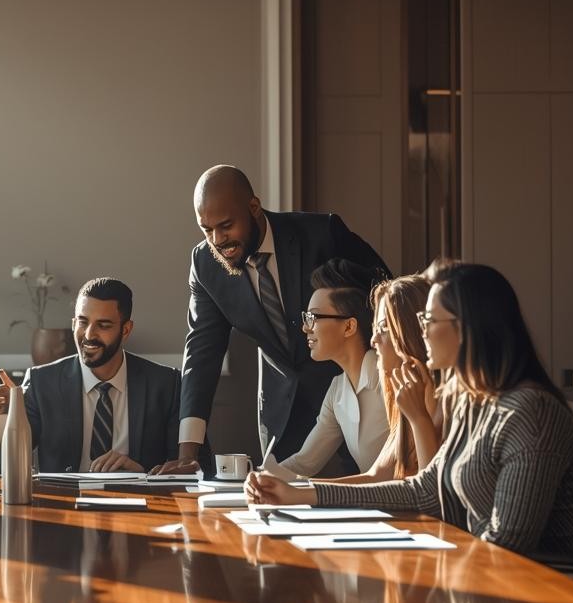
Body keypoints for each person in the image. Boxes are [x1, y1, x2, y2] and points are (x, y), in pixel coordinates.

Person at [246, 261, 573, 566]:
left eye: (429, 321)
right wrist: (300, 496)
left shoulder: (530, 412)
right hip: (520, 580)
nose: (421, 332)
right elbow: (424, 489)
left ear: (469, 329)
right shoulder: (471, 402)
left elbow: (509, 543)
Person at [154, 165, 389, 474]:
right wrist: (188, 453)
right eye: (206, 230)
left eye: (226, 225)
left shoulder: (322, 234)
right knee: (279, 495)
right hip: (282, 407)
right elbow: (202, 353)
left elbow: (386, 295)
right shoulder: (205, 264)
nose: (217, 240)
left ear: (253, 208)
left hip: (359, 394)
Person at [254, 272, 444, 498]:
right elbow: (376, 476)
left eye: (384, 328)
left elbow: (428, 494)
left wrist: (297, 493)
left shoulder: (414, 389)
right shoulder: (391, 392)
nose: (374, 339)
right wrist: (266, 481)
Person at [0, 277, 183, 473]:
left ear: (126, 330)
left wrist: (141, 473)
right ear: (73, 324)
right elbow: (5, 466)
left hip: (146, 502)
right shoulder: (42, 382)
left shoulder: (166, 384)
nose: (89, 335)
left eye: (103, 325)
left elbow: (189, 468)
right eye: (82, 322)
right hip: (63, 503)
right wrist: (14, 415)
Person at [262, 258, 388, 479]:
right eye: (306, 317)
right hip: (373, 506)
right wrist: (258, 479)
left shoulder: (389, 377)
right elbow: (304, 463)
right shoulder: (338, 388)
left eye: (313, 317)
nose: (304, 327)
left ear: (349, 326)